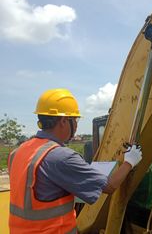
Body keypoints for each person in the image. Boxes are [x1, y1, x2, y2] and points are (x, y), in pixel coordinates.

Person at [8, 88, 142, 233]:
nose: (77, 126)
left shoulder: (18, 152)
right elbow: (109, 186)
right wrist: (129, 161)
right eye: (75, 120)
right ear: (64, 121)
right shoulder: (61, 157)